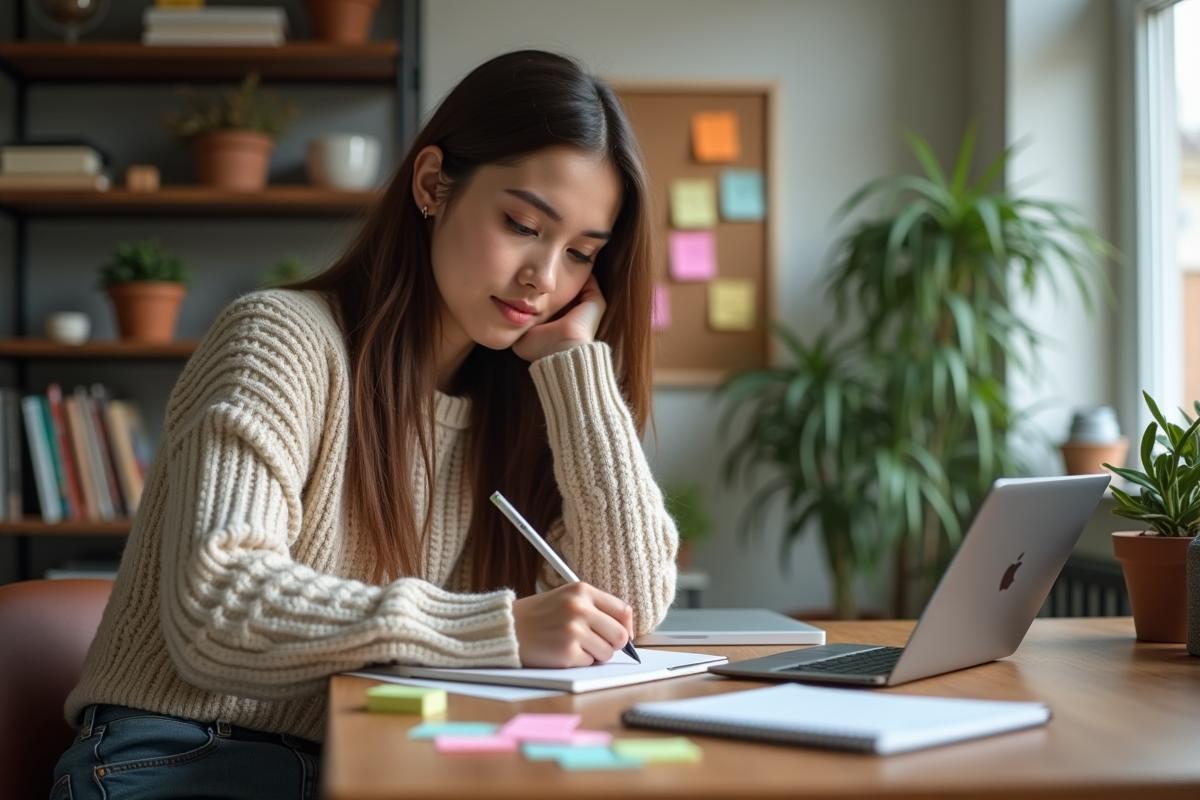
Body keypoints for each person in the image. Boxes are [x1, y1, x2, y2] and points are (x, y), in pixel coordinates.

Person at [51, 50, 677, 800]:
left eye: (580, 254)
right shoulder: (279, 338)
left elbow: (629, 605)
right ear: (432, 184)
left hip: (371, 756)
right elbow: (217, 610)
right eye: (521, 224)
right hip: (181, 757)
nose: (545, 278)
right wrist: (495, 628)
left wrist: (575, 369)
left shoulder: (521, 401)